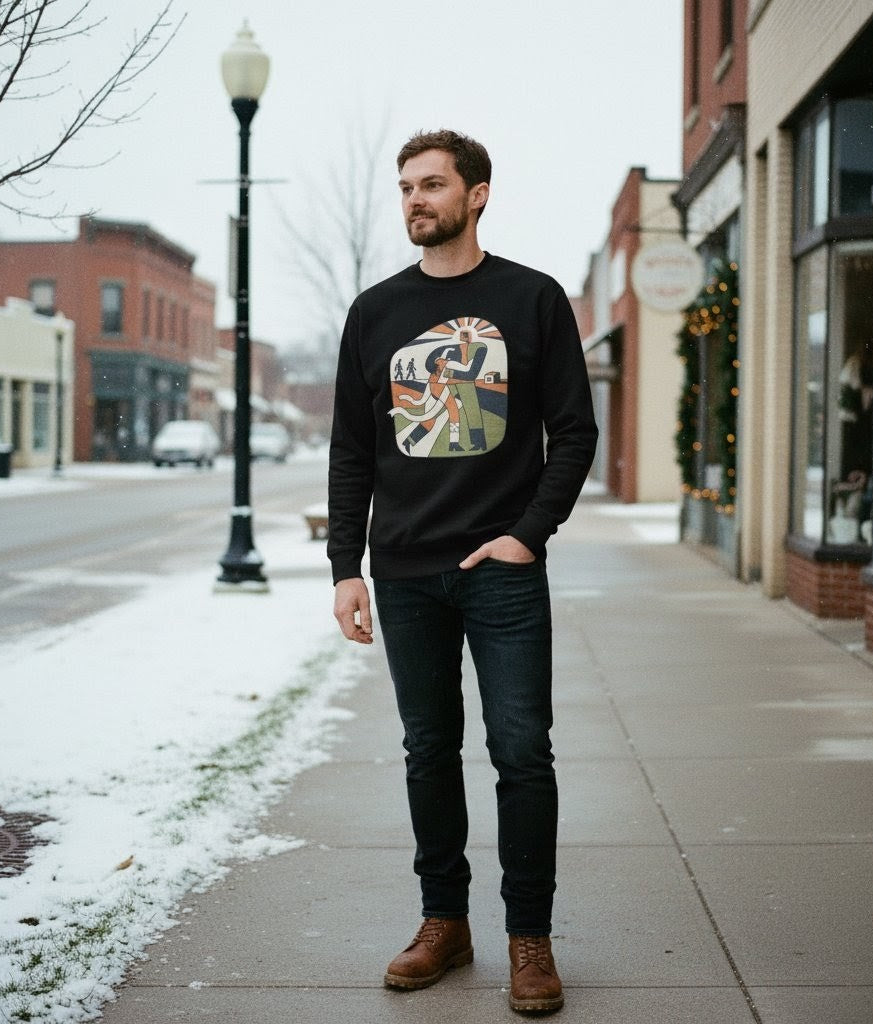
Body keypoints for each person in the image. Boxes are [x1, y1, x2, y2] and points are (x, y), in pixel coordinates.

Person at [328, 128, 597, 1015]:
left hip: (501, 572)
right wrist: (345, 567)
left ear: (477, 193)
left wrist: (528, 535)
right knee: (428, 752)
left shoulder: (532, 300)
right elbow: (351, 454)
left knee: (522, 753)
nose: (414, 199)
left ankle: (530, 939)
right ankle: (445, 923)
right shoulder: (373, 313)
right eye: (405, 186)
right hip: (405, 574)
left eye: (433, 185)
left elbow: (575, 431)